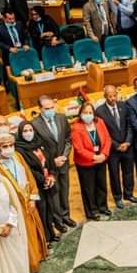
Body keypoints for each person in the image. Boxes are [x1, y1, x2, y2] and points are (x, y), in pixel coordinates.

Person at [0, 133, 49, 273]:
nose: (9, 148)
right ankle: (31, 263)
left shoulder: (17, 156)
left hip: (28, 200)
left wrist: (32, 198)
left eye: (11, 145)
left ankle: (40, 255)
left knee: (35, 229)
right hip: (15, 206)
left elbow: (29, 175)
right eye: (5, 146)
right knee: (25, 234)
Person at [31, 95, 75, 232]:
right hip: (49, 166)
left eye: (52, 107)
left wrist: (64, 156)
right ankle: (58, 221)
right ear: (40, 109)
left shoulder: (61, 118)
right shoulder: (34, 125)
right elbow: (37, 148)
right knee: (54, 194)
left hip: (63, 162)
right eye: (47, 109)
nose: (50, 110)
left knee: (65, 190)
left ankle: (66, 215)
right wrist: (52, 161)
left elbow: (68, 139)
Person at [16, 121, 60, 243]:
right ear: (20, 133)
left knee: (50, 209)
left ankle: (51, 234)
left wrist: (51, 176)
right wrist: (44, 179)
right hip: (37, 185)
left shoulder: (40, 143)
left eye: (30, 130)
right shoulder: (19, 150)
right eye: (25, 131)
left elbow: (50, 161)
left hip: (48, 182)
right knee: (42, 211)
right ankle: (45, 238)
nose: (28, 133)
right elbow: (28, 169)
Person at [96, 84, 137, 209]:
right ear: (105, 96)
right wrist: (116, 145)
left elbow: (130, 126)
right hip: (112, 149)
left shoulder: (124, 105)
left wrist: (127, 142)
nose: (113, 98)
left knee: (128, 172)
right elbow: (103, 133)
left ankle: (128, 194)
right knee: (114, 174)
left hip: (127, 146)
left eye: (114, 95)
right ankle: (118, 197)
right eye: (110, 96)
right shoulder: (99, 111)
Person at [71, 103, 112, 221]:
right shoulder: (76, 127)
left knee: (101, 184)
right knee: (89, 188)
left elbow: (108, 139)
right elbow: (79, 149)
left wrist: (104, 154)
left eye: (90, 112)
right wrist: (94, 157)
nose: (88, 115)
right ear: (80, 114)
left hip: (101, 159)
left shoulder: (100, 122)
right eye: (85, 112)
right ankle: (92, 211)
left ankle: (102, 207)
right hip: (85, 163)